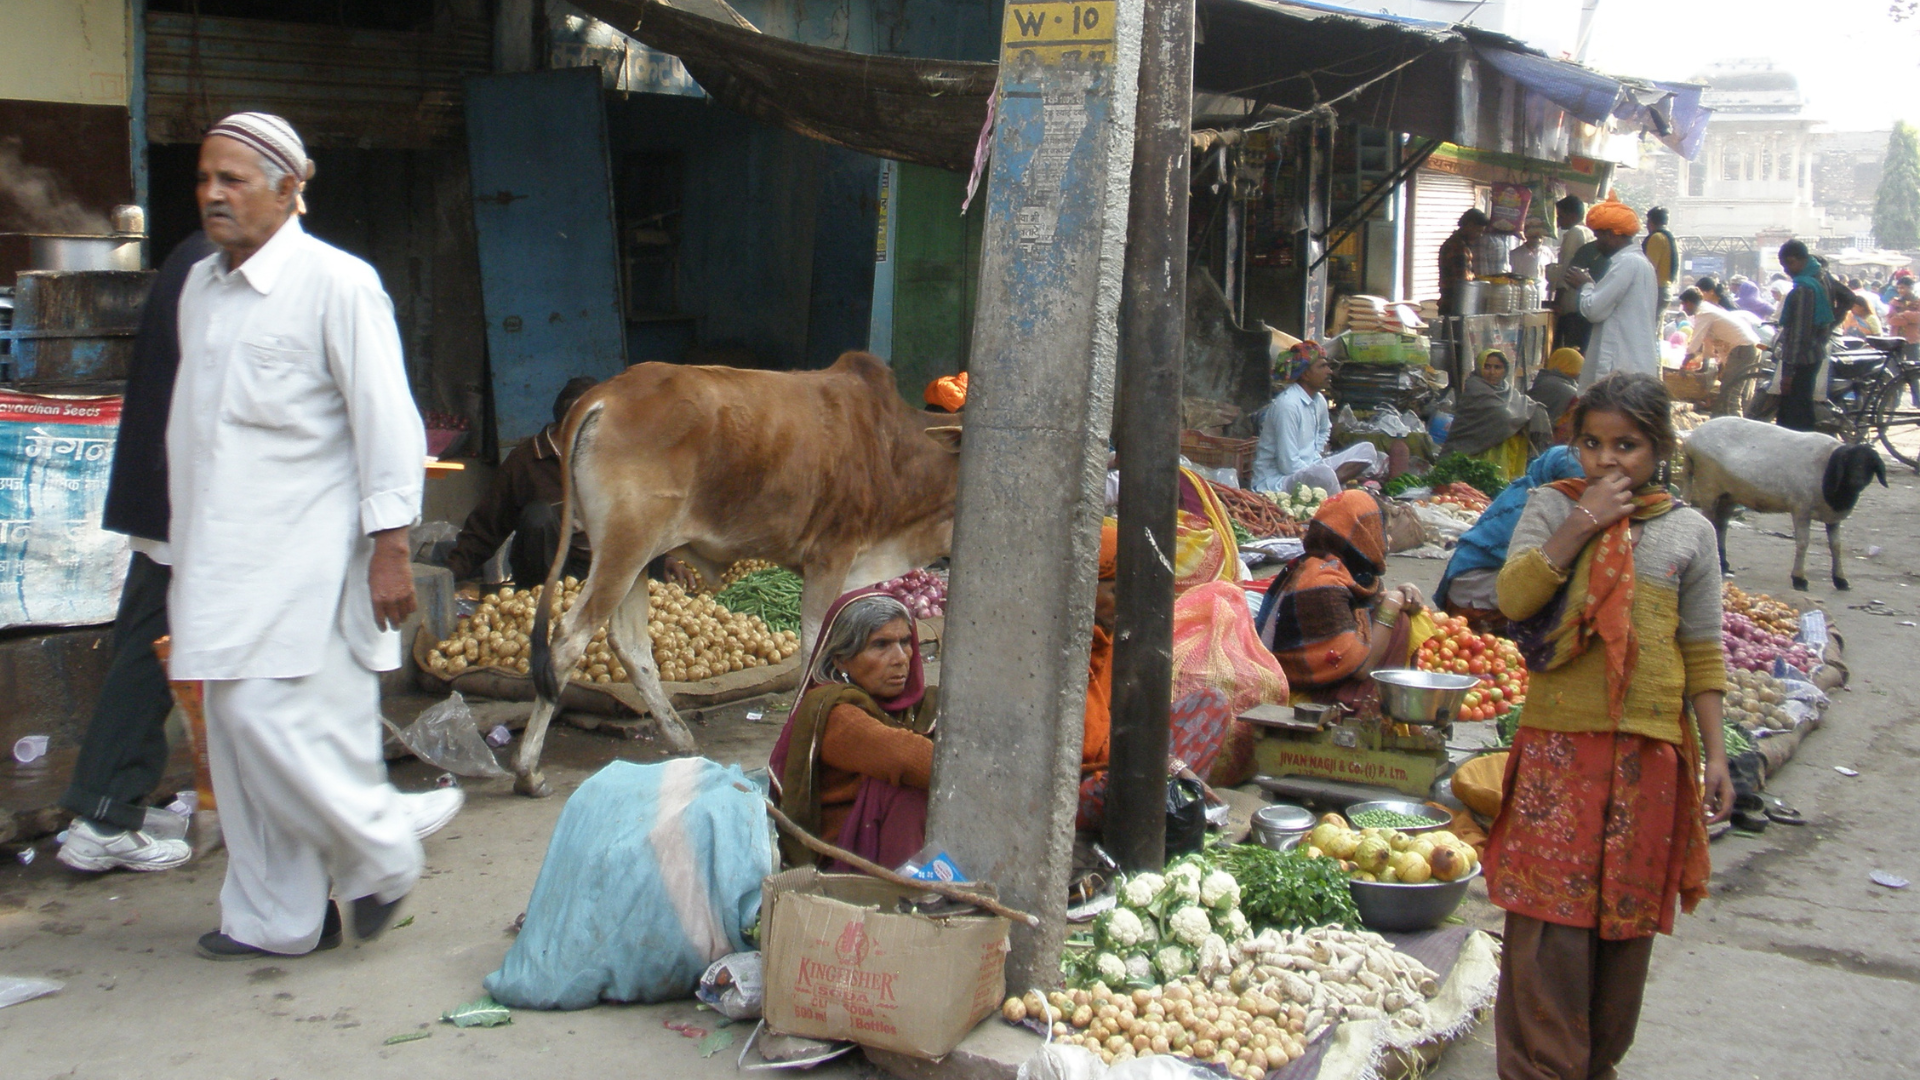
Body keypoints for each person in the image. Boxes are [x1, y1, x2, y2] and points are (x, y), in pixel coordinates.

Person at [168, 112, 460, 960]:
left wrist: (391, 548)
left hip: (307, 557)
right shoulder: (199, 286)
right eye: (205, 178)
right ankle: (277, 919)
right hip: (219, 557)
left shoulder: (338, 282)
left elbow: (388, 421)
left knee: (266, 718)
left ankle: (382, 852)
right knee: (236, 735)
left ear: (290, 190)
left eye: (233, 180)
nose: (213, 194)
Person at [1488, 372, 1733, 1080]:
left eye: (1626, 446)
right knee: (1549, 921)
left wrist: (1716, 754)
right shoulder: (1550, 507)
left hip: (1649, 757)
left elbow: (1701, 649)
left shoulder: (1689, 532)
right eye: (1591, 444)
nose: (1606, 460)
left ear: (1659, 449)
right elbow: (1512, 598)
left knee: (1624, 922)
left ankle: (1595, 1065)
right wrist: (1581, 525)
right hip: (1560, 750)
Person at [53, 231, 214, 874]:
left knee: (145, 643)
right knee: (152, 654)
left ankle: (109, 802)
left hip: (165, 490)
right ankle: (104, 816)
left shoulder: (197, 256)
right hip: (185, 497)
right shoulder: (217, 264)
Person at [769, 589, 935, 868]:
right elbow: (913, 760)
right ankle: (905, 889)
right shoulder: (835, 712)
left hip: (885, 847)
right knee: (904, 789)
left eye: (905, 642)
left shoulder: (918, 707)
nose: (900, 658)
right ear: (841, 659)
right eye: (880, 645)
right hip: (845, 861)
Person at [1255, 490, 1425, 691]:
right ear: (1364, 533)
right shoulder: (1321, 582)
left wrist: (1408, 593)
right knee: (1398, 622)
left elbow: (1373, 604)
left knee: (1405, 618)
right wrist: (1393, 602)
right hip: (1303, 685)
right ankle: (1365, 702)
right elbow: (1361, 668)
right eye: (1381, 531)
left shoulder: (1354, 573)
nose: (1388, 540)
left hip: (1331, 675)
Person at [445, 377, 599, 590]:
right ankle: (543, 600)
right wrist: (448, 575)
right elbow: (485, 528)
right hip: (546, 572)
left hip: (601, 569)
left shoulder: (613, 456)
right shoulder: (526, 461)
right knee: (539, 515)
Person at [1434, 445, 1582, 627]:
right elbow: (1532, 568)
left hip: (1476, 583)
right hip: (1472, 592)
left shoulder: (1524, 490)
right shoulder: (1534, 505)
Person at [1250, 342, 1384, 496]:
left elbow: (1324, 430)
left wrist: (1316, 456)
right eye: (1322, 366)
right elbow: (1288, 465)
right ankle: (1331, 493)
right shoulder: (1287, 405)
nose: (1329, 371)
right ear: (1305, 374)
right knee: (1324, 474)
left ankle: (1325, 487)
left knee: (1367, 450)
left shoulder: (1319, 400)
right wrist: (1315, 473)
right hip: (1278, 481)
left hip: (1311, 468)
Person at [1564, 195, 1658, 388]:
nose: (1597, 244)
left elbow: (1594, 310)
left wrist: (1585, 285)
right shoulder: (1639, 263)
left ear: (1612, 235)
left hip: (1621, 366)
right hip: (1632, 363)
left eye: (1598, 237)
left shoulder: (1627, 263)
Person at [1772, 239, 1855, 432]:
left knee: (1793, 417)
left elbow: (1798, 336)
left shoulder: (1804, 289)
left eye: (1789, 264)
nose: (1787, 270)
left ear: (1798, 260)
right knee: (1803, 408)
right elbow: (1849, 298)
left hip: (1801, 358)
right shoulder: (1822, 275)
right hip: (1816, 352)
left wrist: (1787, 374)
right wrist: (1827, 326)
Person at [1441, 349, 1536, 482]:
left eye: (1497, 367)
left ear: (1505, 370)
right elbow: (1502, 415)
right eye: (1487, 367)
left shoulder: (1507, 389)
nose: (1492, 372)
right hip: (1473, 452)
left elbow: (1523, 406)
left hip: (1500, 452)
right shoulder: (1475, 388)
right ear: (1479, 367)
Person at [1677, 287, 1760, 387]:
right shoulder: (1707, 309)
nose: (1683, 309)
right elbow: (1703, 344)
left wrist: (1683, 365)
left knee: (1730, 388)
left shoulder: (1704, 313)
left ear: (1689, 303)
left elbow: (1695, 344)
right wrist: (1702, 366)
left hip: (1743, 347)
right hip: (1750, 345)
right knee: (1742, 388)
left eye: (1683, 304)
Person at [1548, 196, 1597, 351]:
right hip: (1581, 302)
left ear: (1573, 216)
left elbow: (1567, 270)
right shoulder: (1588, 232)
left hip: (1570, 304)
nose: (1558, 222)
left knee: (1565, 349)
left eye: (1561, 216)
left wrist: (1557, 301)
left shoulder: (1575, 233)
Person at [1439, 209, 1490, 315]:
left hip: (1453, 304)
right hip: (1455, 305)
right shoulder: (1457, 247)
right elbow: (1463, 281)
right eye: (1478, 231)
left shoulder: (1461, 244)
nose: (1480, 235)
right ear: (1469, 225)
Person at [1527, 347, 1584, 440]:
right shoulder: (1559, 386)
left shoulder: (1545, 378)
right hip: (1546, 436)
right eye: (1577, 366)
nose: (1579, 371)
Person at [1642, 207, 1680, 330]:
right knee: (1656, 329)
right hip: (1665, 289)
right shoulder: (1669, 237)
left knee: (1648, 329)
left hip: (1656, 290)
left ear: (1650, 222)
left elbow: (1649, 268)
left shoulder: (1657, 238)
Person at [1507, 220, 1551, 287]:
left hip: (1542, 291)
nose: (1538, 240)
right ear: (1527, 236)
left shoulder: (1547, 253)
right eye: (1534, 237)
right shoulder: (1514, 255)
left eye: (1541, 237)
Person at [1887, 276, 1920, 361]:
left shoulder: (1918, 302)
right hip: (1896, 339)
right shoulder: (1895, 302)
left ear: (1911, 287)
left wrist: (1904, 314)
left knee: (1913, 364)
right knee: (1895, 364)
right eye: (1898, 288)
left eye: (1902, 288)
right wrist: (1908, 320)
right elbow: (1891, 320)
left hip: (1912, 339)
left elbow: (1918, 318)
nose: (1900, 290)